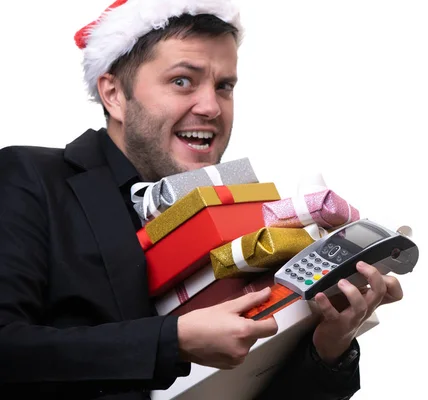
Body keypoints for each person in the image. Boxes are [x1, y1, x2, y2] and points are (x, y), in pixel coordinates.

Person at [0, 0, 404, 398]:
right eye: (182, 81)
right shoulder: (29, 177)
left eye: (224, 86)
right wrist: (172, 341)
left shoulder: (246, 217)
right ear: (114, 94)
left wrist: (327, 348)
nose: (211, 106)